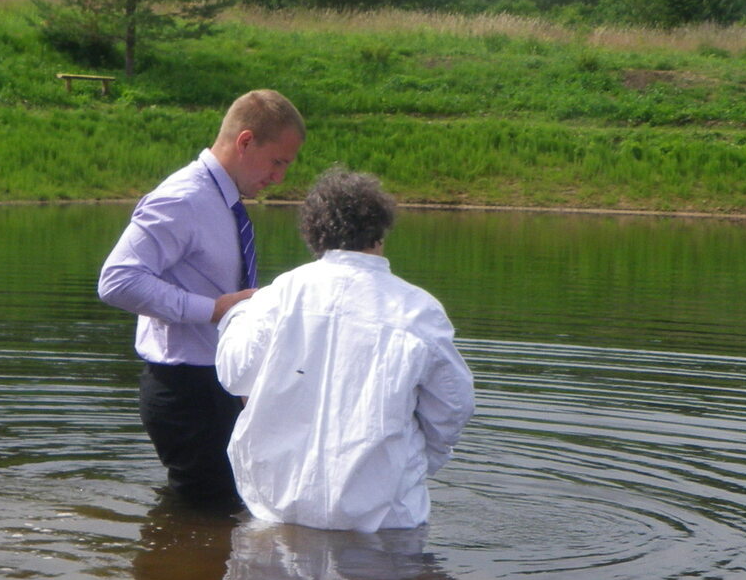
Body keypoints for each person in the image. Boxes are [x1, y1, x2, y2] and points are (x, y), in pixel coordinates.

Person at [216, 167, 473, 532]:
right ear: (380, 230)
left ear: (313, 231)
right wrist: (419, 461)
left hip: (276, 512)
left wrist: (237, 314)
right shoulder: (418, 310)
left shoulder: (276, 296)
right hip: (385, 520)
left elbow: (233, 375)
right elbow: (454, 406)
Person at [98, 89, 305, 506]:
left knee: (226, 511)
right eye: (277, 162)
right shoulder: (183, 198)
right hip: (187, 391)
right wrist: (212, 310)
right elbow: (117, 280)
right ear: (245, 142)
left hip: (214, 385)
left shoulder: (219, 201)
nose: (279, 178)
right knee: (208, 518)